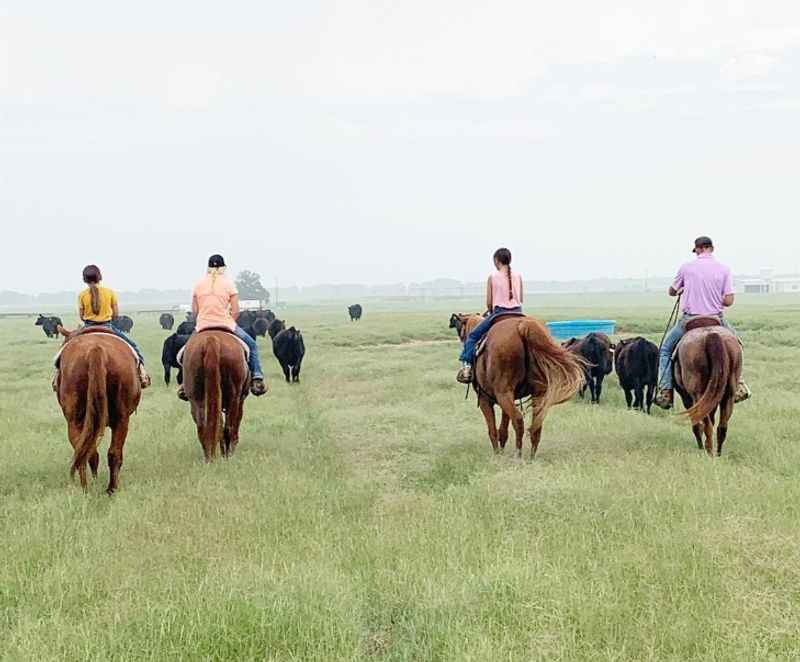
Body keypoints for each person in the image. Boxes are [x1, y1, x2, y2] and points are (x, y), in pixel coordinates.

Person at [654, 236, 751, 409]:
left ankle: (665, 392)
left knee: (665, 350)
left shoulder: (686, 267)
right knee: (738, 344)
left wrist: (683, 289)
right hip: (716, 318)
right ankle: (739, 385)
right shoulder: (724, 269)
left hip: (690, 319)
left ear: (697, 249)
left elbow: (672, 291)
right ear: (711, 248)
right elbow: (729, 300)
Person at [177, 254, 267, 399]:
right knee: (251, 346)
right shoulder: (229, 284)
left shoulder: (198, 284)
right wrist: (229, 320)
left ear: (208, 267)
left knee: (185, 353)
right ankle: (257, 377)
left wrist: (203, 319)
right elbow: (236, 310)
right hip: (226, 324)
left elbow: (195, 311)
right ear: (222, 268)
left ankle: (184, 383)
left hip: (203, 326)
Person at [74, 264, 150, 387]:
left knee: (65, 347)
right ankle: (142, 373)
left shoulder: (82, 295)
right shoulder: (110, 292)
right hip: (107, 326)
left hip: (88, 327)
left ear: (84, 279)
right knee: (134, 347)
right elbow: (115, 314)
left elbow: (82, 316)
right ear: (100, 277)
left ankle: (57, 376)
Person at [456, 247, 524, 384]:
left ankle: (467, 369)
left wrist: (490, 310)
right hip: (518, 313)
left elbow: (489, 303)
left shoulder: (492, 277)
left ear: (496, 261)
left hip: (499, 313)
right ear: (510, 260)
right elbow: (521, 298)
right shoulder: (519, 276)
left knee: (472, 337)